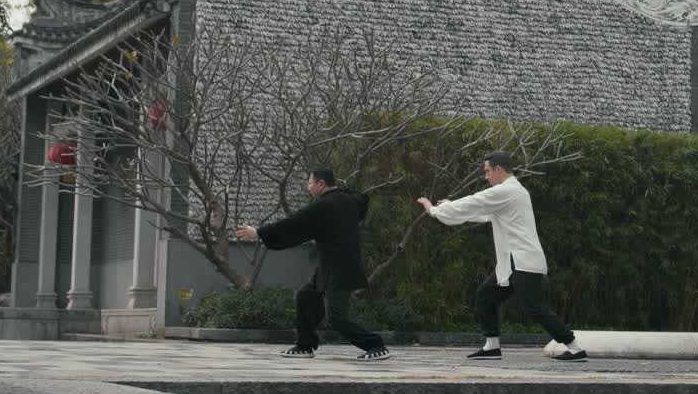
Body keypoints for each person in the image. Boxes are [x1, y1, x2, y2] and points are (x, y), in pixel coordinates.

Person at [417, 151, 587, 362]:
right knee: (486, 296)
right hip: (512, 263)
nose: (486, 176)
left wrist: (434, 210)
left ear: (498, 170)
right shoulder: (512, 192)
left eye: (487, 171)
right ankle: (492, 347)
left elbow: (475, 201)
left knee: (534, 308)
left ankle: (575, 348)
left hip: (523, 260)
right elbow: (481, 212)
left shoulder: (508, 190)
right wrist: (449, 207)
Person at [235, 167, 392, 361]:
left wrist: (259, 233)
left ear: (321, 184)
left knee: (337, 317)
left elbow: (294, 223)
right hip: (330, 265)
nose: (307, 187)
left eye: (309, 183)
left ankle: (376, 345)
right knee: (306, 297)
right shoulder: (349, 199)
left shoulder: (325, 206)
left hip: (341, 268)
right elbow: (362, 201)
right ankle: (305, 345)